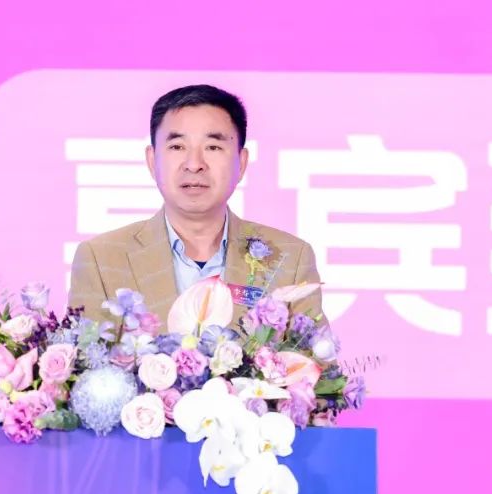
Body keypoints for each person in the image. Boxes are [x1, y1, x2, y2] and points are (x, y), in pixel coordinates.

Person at [68, 84, 324, 329]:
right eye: (177, 146)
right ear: (152, 160)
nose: (194, 164)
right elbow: (86, 357)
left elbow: (312, 357)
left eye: (213, 147)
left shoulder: (290, 258)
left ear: (241, 162)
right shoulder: (100, 259)